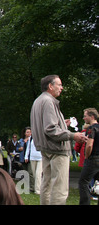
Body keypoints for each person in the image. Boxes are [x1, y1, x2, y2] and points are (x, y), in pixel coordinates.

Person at [30, 74, 87, 205]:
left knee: (47, 184)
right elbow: (50, 129)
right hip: (57, 149)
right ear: (50, 86)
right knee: (59, 188)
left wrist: (63, 123)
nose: (61, 88)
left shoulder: (38, 101)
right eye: (59, 85)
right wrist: (74, 135)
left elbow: (47, 125)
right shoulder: (49, 101)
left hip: (46, 149)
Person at [78, 108, 99, 205]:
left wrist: (86, 156)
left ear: (92, 116)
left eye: (85, 116)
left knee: (83, 182)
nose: (83, 118)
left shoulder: (91, 128)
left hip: (93, 159)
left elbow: (90, 144)